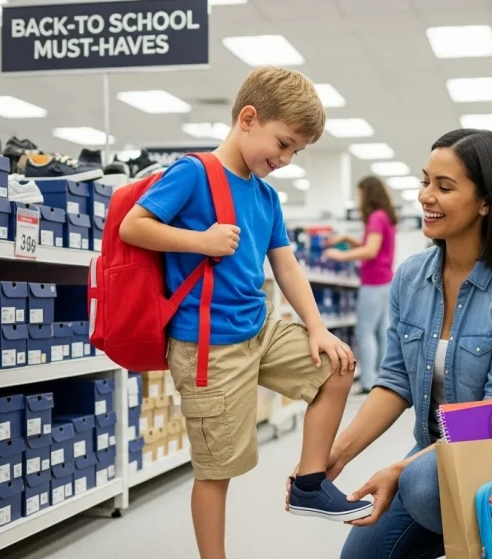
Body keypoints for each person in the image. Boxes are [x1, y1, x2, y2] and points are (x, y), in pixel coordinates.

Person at [119, 66, 370, 559]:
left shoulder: (266, 195)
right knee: (217, 470)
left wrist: (318, 328)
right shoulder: (193, 173)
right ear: (248, 119)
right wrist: (201, 241)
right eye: (284, 144)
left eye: (297, 151)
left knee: (337, 366)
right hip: (207, 345)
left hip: (259, 328)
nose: (287, 159)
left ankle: (310, 483)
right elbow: (134, 226)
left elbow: (287, 264)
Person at [283, 128, 492, 559]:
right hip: (433, 449)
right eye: (425, 181)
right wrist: (334, 454)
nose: (426, 196)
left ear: (486, 202)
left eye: (444, 187)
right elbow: (394, 382)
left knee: (422, 486)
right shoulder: (412, 276)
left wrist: (399, 469)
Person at [323, 176, 398, 394]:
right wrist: (348, 238)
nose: (358, 199)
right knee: (382, 332)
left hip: (373, 282)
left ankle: (367, 382)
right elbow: (374, 246)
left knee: (365, 332)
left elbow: (370, 251)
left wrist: (339, 255)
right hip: (386, 281)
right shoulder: (386, 217)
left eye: (359, 194)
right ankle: (384, 380)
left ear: (368, 194)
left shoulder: (375, 217)